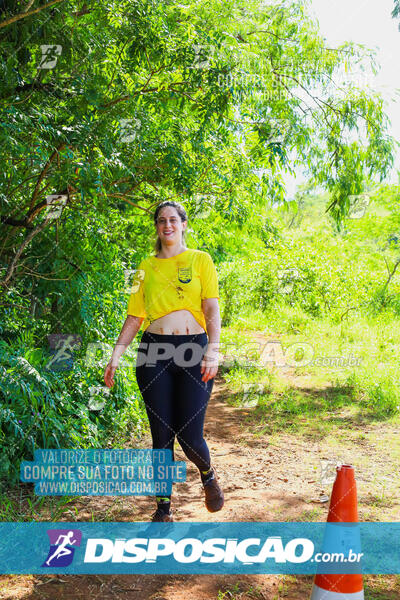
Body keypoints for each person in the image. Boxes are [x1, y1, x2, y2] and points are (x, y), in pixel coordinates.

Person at [104, 200, 224, 522]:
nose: (167, 225)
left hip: (194, 351)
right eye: (161, 221)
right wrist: (116, 354)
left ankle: (208, 473)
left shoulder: (202, 260)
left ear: (184, 224)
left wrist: (213, 348)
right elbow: (134, 316)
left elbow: (211, 309)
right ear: (157, 226)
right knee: (161, 436)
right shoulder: (142, 268)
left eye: (173, 220)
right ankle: (163, 509)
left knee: (189, 434)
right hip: (153, 353)